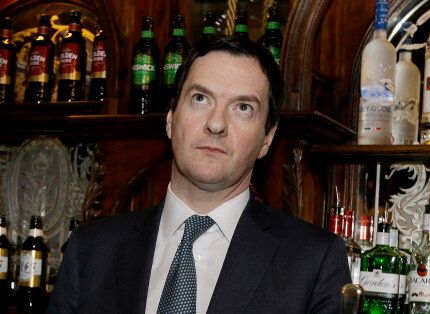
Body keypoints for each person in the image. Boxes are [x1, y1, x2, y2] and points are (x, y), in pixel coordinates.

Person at [48, 36, 351, 313]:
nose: (216, 124)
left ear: (267, 139)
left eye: (243, 107)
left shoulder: (315, 262)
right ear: (170, 118)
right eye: (200, 98)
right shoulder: (89, 250)